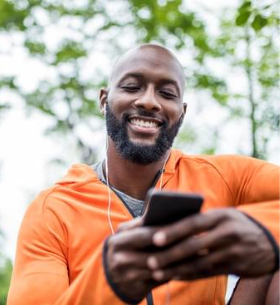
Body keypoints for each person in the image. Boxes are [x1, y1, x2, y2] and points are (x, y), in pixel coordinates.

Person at [8, 44, 279, 305]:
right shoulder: (53, 211)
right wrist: (108, 282)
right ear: (104, 101)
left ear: (181, 114)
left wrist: (264, 230)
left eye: (167, 93)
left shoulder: (224, 177)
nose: (149, 101)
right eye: (131, 87)